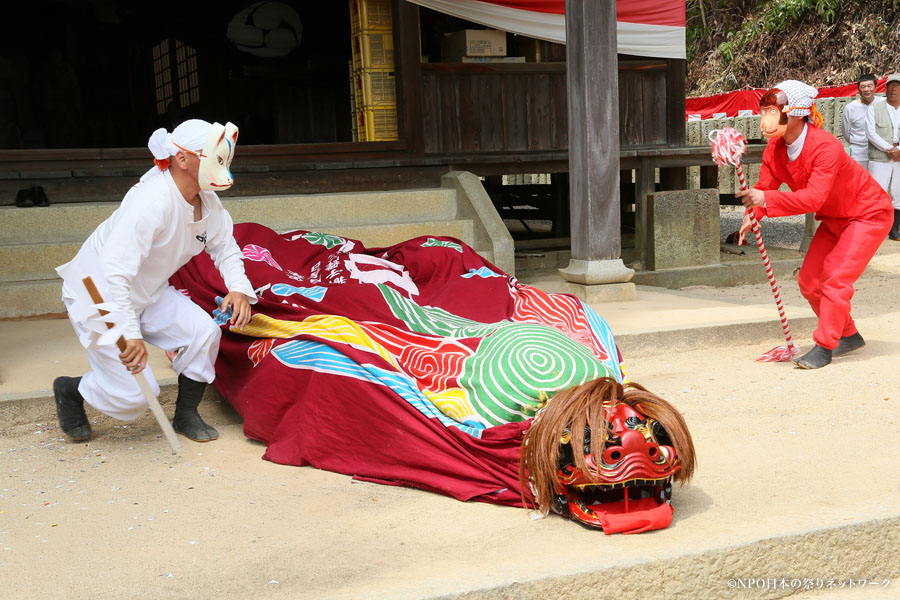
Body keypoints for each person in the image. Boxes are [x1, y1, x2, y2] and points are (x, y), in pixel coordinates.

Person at [54, 119, 256, 442]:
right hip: (98, 294)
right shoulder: (152, 202)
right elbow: (113, 272)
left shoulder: (209, 204)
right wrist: (128, 332)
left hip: (147, 293)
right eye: (214, 157)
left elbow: (226, 248)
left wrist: (238, 288)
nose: (222, 166)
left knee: (203, 333)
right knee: (137, 394)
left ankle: (186, 413)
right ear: (183, 159)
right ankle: (72, 390)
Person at [737, 80, 892, 370]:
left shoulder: (825, 147)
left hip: (867, 214)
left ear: (795, 113)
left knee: (835, 277)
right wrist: (753, 215)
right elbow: (765, 186)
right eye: (764, 112)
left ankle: (824, 345)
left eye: (772, 112)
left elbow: (813, 198)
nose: (764, 122)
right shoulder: (775, 149)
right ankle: (848, 334)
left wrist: (765, 200)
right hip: (835, 218)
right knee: (809, 281)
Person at [866, 73, 900, 240]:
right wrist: (890, 149)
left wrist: (899, 149)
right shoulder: (875, 108)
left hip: (899, 157)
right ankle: (873, 229)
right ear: (885, 89)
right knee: (877, 191)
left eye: (897, 86)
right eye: (891, 86)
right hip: (880, 156)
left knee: (898, 192)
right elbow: (871, 133)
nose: (894, 89)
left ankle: (894, 230)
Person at [841, 73, 882, 170]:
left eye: (869, 86)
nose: (866, 89)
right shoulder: (850, 108)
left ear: (875, 87)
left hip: (881, 153)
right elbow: (846, 132)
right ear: (859, 89)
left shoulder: (883, 103)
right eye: (863, 87)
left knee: (878, 183)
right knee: (859, 182)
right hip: (858, 154)